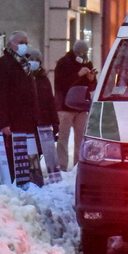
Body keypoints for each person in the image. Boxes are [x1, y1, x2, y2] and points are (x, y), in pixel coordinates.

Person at [0, 31, 38, 182]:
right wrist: (3, 122)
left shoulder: (24, 64)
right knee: (10, 157)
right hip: (11, 121)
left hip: (25, 120)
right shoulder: (3, 64)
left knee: (22, 156)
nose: (24, 46)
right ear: (11, 44)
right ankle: (9, 182)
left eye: (26, 42)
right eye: (21, 42)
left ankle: (23, 181)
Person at [53, 39, 96, 170]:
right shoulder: (63, 63)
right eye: (82, 53)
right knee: (63, 139)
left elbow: (92, 87)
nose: (84, 56)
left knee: (81, 140)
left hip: (81, 107)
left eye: (85, 53)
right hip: (66, 107)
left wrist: (91, 79)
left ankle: (78, 166)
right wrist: (78, 75)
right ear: (76, 52)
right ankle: (62, 166)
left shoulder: (87, 63)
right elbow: (61, 85)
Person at [27, 47, 59, 186]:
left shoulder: (43, 79)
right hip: (28, 121)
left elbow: (50, 101)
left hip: (43, 120)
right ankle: (31, 176)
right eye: (31, 60)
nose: (34, 62)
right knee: (29, 150)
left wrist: (55, 122)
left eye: (37, 60)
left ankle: (37, 175)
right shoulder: (23, 78)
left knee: (40, 149)